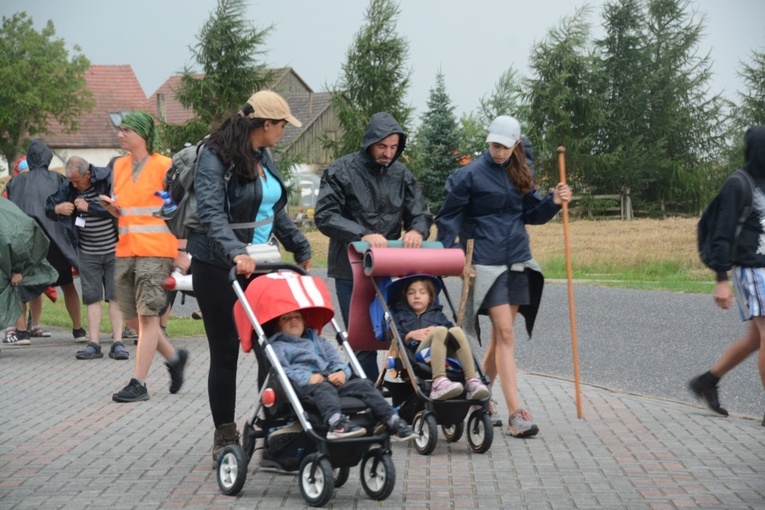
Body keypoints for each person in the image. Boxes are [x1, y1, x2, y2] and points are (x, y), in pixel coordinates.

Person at [188, 90, 311, 464]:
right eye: (282, 126)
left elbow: (273, 210)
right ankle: (225, 436)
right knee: (225, 352)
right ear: (265, 125)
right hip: (217, 266)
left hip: (261, 266)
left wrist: (300, 247)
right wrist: (236, 251)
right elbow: (210, 213)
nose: (284, 132)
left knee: (272, 351)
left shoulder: (263, 154)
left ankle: (274, 437)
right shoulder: (214, 155)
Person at [436, 115, 571, 438]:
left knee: (500, 337)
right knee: (507, 334)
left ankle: (479, 399)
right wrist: (455, 259)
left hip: (518, 259)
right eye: (494, 145)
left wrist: (553, 201)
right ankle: (516, 413)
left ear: (515, 145)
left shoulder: (520, 170)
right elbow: (449, 218)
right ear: (488, 140)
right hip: (485, 260)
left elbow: (530, 214)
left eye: (505, 147)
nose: (498, 152)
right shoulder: (468, 175)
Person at [314, 112, 433, 381]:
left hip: (391, 269)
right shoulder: (341, 170)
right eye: (382, 146)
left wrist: (417, 229)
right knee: (363, 339)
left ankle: (406, 398)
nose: (387, 153)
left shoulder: (402, 174)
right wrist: (362, 233)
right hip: (351, 270)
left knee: (405, 333)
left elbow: (420, 212)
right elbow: (325, 215)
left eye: (393, 147)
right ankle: (369, 398)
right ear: (369, 142)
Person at [99, 111, 189, 402]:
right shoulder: (119, 166)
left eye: (126, 129)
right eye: (119, 129)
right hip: (126, 249)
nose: (120, 134)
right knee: (131, 319)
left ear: (143, 135)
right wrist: (115, 209)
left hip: (157, 250)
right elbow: (128, 208)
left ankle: (139, 382)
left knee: (148, 317)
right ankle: (174, 358)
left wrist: (182, 250)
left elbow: (179, 212)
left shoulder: (166, 166)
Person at [689, 125, 765, 427]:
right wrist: (721, 278)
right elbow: (721, 232)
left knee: (755, 339)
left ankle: (707, 381)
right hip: (751, 269)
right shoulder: (738, 183)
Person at [269, 309, 417, 441]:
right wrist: (307, 378)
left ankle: (392, 420)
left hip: (330, 379)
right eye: (285, 318)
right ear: (277, 327)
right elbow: (282, 372)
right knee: (323, 388)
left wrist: (342, 372)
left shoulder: (318, 341)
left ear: (304, 322)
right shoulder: (279, 346)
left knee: (363, 384)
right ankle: (336, 424)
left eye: (297, 317)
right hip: (305, 387)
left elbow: (336, 361)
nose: (293, 320)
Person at [46, 156, 126, 360]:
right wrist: (57, 209)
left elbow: (120, 208)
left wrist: (90, 207)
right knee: (91, 297)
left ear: (88, 174)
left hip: (114, 249)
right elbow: (49, 206)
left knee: (115, 296)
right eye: (70, 181)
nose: (73, 185)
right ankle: (94, 344)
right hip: (87, 252)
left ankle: (118, 343)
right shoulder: (70, 186)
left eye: (76, 181)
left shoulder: (107, 179)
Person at [6, 140, 86, 342]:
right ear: (48, 158)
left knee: (19, 287)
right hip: (55, 242)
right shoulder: (58, 179)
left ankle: (22, 332)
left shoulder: (15, 182)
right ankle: (78, 330)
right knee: (67, 284)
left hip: (27, 244)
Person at [392, 276, 491, 400]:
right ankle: (438, 381)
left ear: (430, 298)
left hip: (443, 353)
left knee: (455, 330)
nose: (416, 296)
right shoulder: (400, 316)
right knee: (439, 330)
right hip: (418, 353)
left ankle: (471, 381)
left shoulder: (438, 316)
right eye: (411, 293)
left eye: (422, 292)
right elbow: (392, 339)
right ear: (405, 296)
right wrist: (409, 335)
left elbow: (451, 336)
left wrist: (438, 332)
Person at [0, 197, 58, 346]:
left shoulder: (5, 210)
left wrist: (18, 268)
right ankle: (22, 330)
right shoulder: (7, 207)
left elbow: (19, 235)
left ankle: (21, 330)